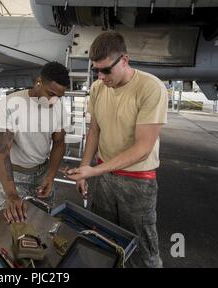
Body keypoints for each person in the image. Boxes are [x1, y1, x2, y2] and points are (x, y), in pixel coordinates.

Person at [67, 31, 168, 268]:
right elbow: (95, 131)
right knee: (103, 240)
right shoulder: (97, 88)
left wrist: (93, 172)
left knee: (143, 253)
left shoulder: (150, 88)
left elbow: (143, 148)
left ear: (124, 60)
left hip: (137, 183)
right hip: (104, 178)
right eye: (96, 70)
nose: (101, 76)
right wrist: (85, 167)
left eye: (106, 70)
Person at [0, 61, 70, 223]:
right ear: (38, 82)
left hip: (42, 174)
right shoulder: (9, 105)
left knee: (44, 222)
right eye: (51, 94)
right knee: (8, 226)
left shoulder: (58, 108)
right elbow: (2, 153)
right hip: (15, 176)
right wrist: (12, 194)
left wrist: (50, 176)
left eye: (59, 97)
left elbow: (59, 143)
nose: (54, 101)